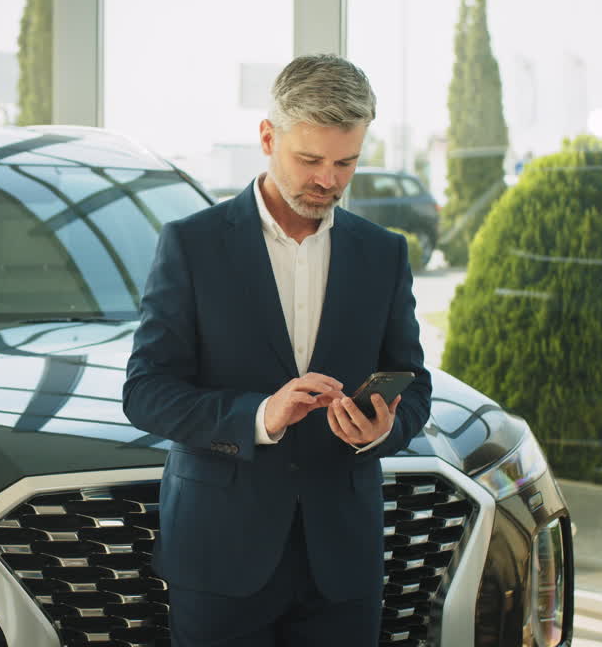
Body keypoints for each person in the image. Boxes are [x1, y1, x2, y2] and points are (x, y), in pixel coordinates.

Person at [123, 53, 431, 646]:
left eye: (346, 162)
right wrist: (261, 415)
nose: (329, 181)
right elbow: (145, 393)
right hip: (218, 556)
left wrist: (382, 429)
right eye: (310, 160)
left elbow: (412, 383)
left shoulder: (383, 253)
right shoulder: (192, 246)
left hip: (343, 562)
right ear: (268, 138)